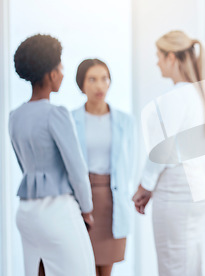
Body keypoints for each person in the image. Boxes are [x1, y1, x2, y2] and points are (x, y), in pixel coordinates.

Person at [9, 34, 95, 275]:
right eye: (60, 66)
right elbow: (76, 168)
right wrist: (87, 209)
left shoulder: (14, 116)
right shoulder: (56, 113)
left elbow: (23, 164)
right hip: (57, 211)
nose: (63, 72)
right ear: (51, 74)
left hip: (26, 213)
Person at [132, 30, 205, 276]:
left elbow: (161, 150)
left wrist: (144, 187)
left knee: (173, 266)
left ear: (171, 57)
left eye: (158, 56)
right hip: (198, 193)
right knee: (191, 264)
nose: (157, 62)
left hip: (175, 193)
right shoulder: (202, 96)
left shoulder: (174, 97)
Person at [72, 58, 136, 276]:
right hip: (82, 200)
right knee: (83, 266)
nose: (99, 85)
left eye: (104, 79)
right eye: (92, 79)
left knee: (106, 269)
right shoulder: (71, 120)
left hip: (112, 200)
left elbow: (130, 163)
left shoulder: (125, 121)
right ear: (82, 84)